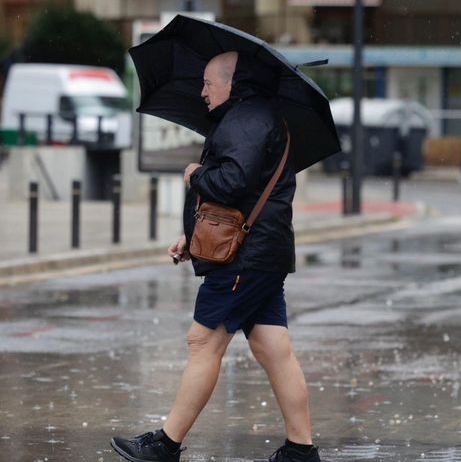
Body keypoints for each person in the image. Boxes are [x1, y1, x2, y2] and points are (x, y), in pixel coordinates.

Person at [110, 52, 320, 462]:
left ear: (232, 84)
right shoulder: (255, 117)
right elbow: (245, 192)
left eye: (209, 83)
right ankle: (300, 450)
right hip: (260, 252)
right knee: (272, 347)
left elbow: (233, 181)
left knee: (203, 342)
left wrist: (195, 174)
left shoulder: (246, 120)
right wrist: (193, 237)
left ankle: (165, 445)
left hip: (244, 260)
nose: (202, 91)